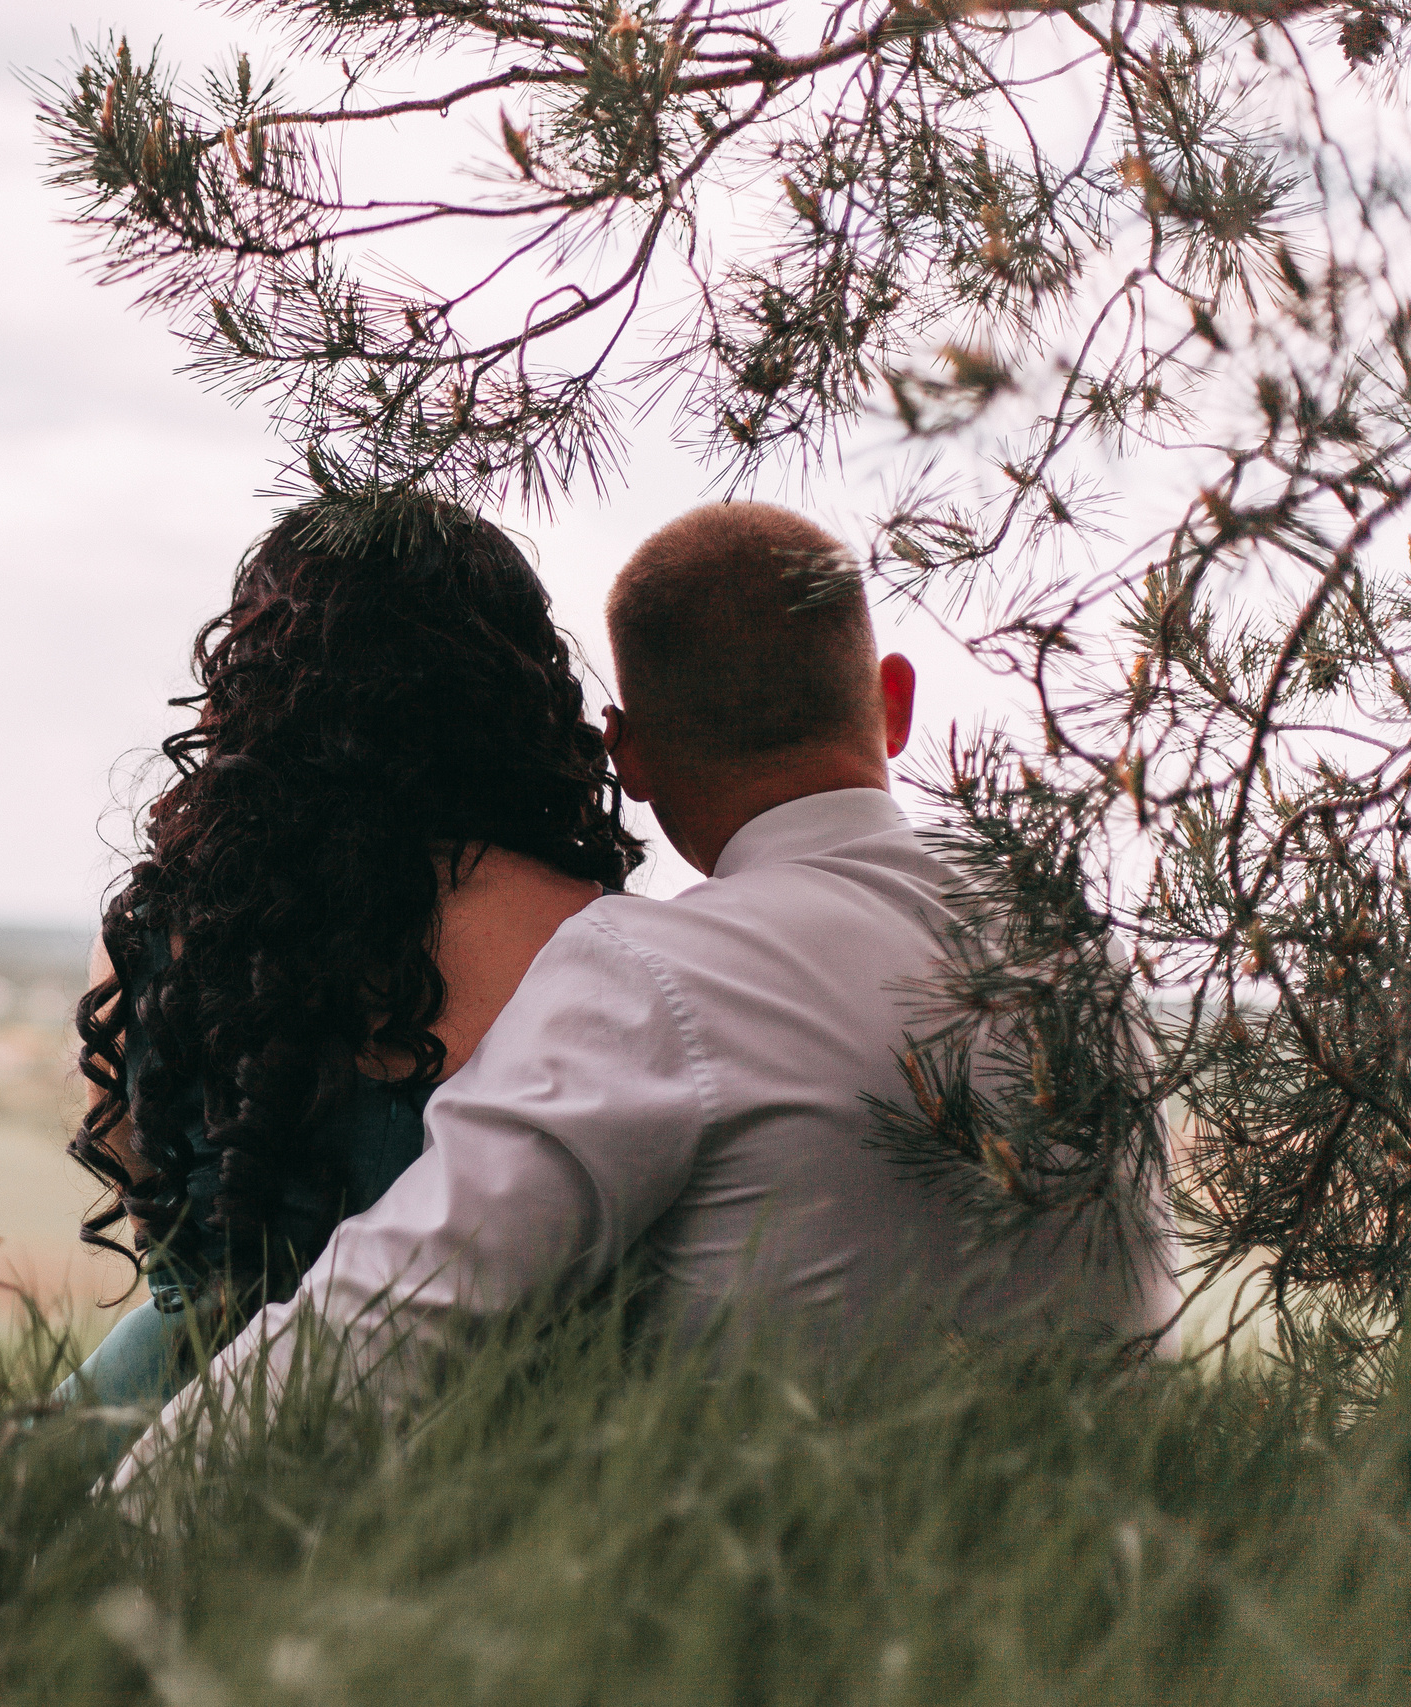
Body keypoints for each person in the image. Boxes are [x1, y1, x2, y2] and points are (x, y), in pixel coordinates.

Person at [111, 500, 1183, 1485]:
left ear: (626, 755)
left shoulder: (656, 975)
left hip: (774, 1580)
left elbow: (387, 1316)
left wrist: (123, 1527)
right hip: (1104, 1556)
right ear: (893, 702)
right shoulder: (1076, 949)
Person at [53, 497, 644, 1439]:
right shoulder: (593, 934)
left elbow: (150, 1206)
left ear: (258, 678)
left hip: (158, 1413)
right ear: (514, 690)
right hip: (481, 1443)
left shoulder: (155, 926)